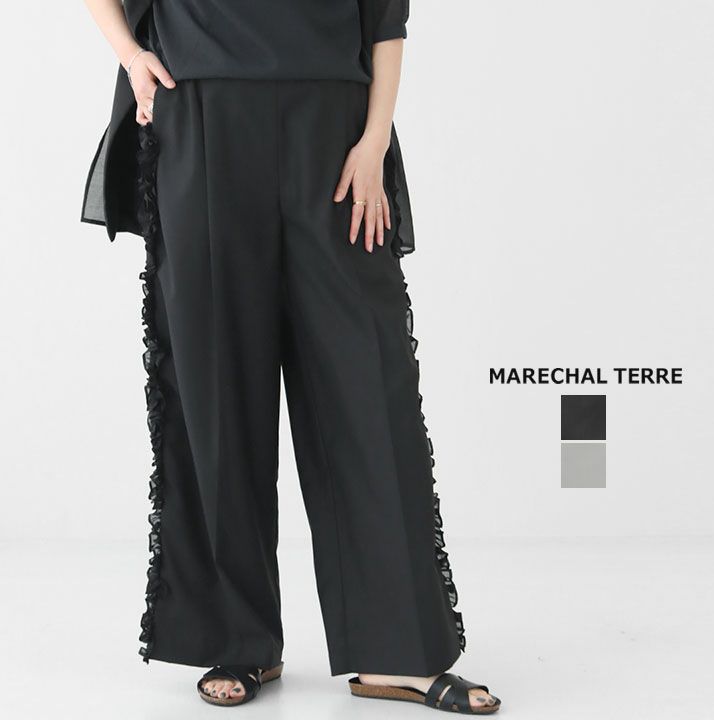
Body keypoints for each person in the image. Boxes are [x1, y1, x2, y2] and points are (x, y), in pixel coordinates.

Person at [82, 0, 501, 714]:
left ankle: (397, 653)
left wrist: (375, 140)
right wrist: (129, 54)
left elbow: (387, 20)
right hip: (201, 117)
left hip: (333, 132)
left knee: (366, 386)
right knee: (216, 387)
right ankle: (239, 639)